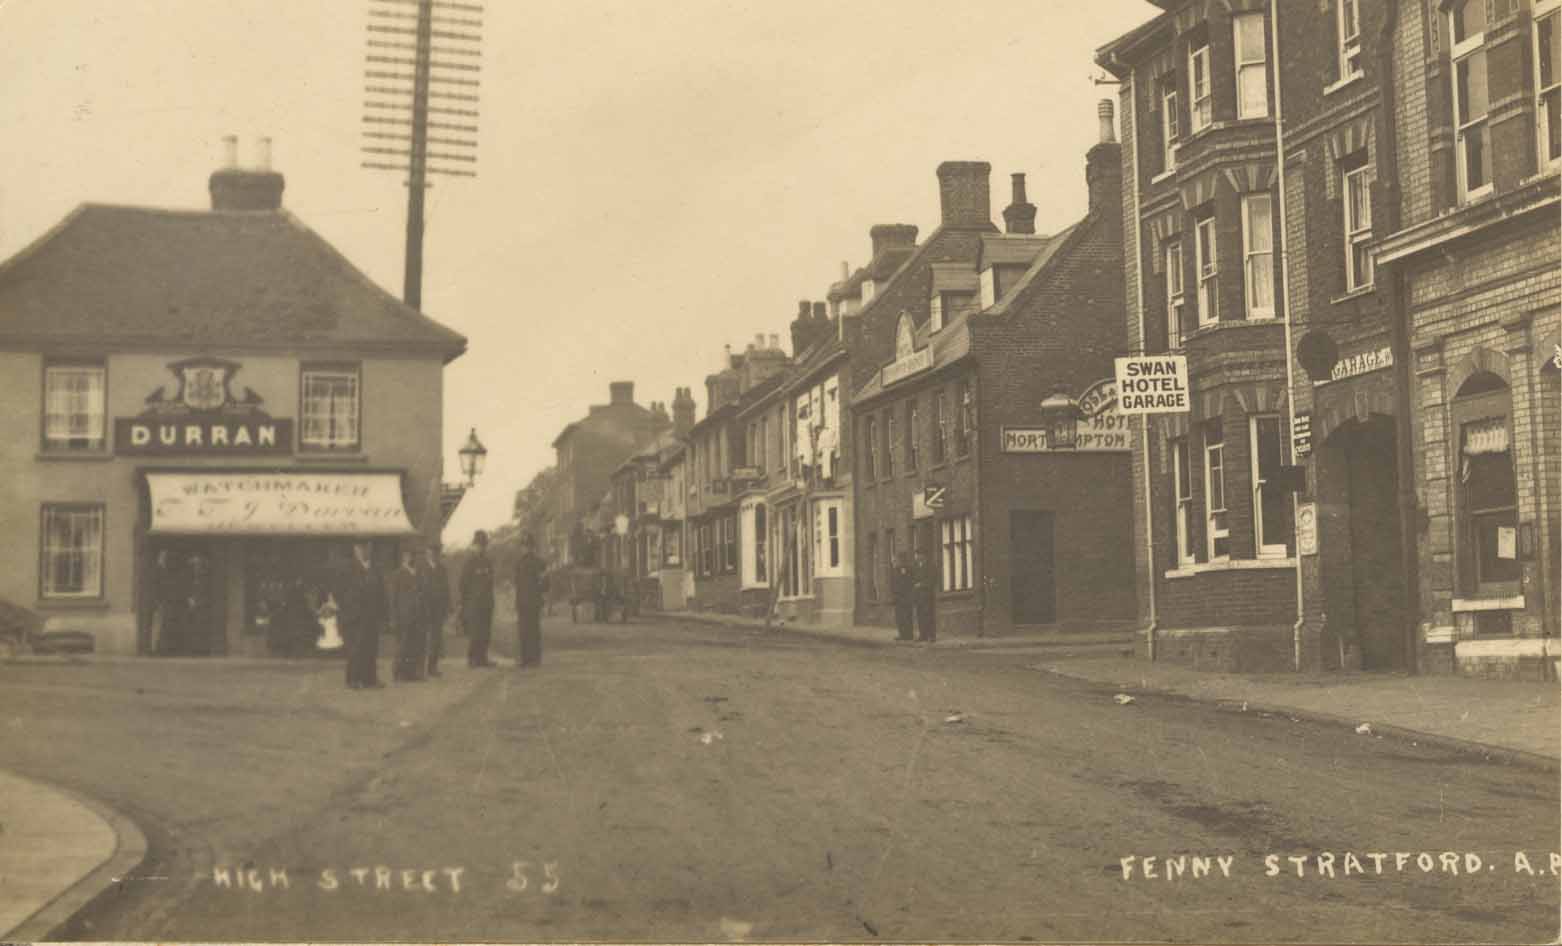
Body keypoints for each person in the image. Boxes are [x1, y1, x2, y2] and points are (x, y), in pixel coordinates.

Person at [335, 540, 387, 689]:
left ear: (370, 549)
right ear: (355, 550)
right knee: (355, 649)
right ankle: (353, 680)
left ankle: (370, 679)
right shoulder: (347, 569)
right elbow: (339, 592)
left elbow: (381, 593)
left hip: (372, 616)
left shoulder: (375, 569)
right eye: (360, 548)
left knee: (371, 647)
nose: (364, 551)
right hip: (354, 616)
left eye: (366, 548)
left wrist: (383, 614)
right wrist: (347, 609)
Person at [460, 530, 496, 667]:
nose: (481, 547)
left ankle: (483, 658)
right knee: (475, 631)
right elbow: (463, 584)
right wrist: (465, 603)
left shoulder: (488, 562)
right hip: (474, 603)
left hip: (486, 603)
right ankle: (472, 659)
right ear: (474, 546)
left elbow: (490, 582)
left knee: (486, 632)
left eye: (483, 545)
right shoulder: (469, 563)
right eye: (479, 545)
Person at [389, 547, 426, 682]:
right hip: (403, 616)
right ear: (403, 557)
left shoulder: (419, 574)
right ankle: (399, 673)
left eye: (412, 556)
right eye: (407, 556)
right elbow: (393, 598)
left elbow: (422, 594)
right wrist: (393, 618)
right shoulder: (397, 575)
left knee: (415, 645)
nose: (410, 558)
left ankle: (412, 673)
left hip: (417, 616)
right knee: (402, 646)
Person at [513, 534, 549, 668]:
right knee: (530, 630)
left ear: (532, 547)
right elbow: (545, 584)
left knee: (528, 630)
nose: (526, 549)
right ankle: (531, 659)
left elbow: (545, 583)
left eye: (527, 546)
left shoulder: (524, 563)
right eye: (525, 546)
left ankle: (529, 659)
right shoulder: (537, 563)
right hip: (530, 601)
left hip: (527, 601)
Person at [420, 544, 451, 677]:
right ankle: (419, 668)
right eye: (429, 552)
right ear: (426, 553)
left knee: (436, 638)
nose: (432, 555)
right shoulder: (421, 569)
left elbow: (446, 589)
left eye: (434, 553)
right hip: (424, 608)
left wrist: (448, 607)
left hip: (438, 609)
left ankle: (432, 667)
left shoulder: (442, 570)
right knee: (422, 638)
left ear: (437, 555)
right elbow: (418, 590)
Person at [890, 551, 916, 642]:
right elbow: (893, 584)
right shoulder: (895, 570)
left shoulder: (907, 570)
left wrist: (910, 595)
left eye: (897, 560)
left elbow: (909, 583)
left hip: (906, 597)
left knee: (907, 616)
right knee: (900, 617)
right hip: (898, 598)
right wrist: (893, 595)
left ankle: (908, 635)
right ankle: (902, 634)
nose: (895, 562)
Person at [913, 549, 937, 643]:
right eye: (917, 555)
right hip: (918, 595)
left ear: (924, 556)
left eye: (919, 555)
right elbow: (913, 580)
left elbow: (933, 580)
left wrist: (922, 584)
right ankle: (923, 635)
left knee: (929, 615)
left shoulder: (931, 566)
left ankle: (932, 636)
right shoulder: (916, 567)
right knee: (920, 615)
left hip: (927, 595)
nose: (917, 557)